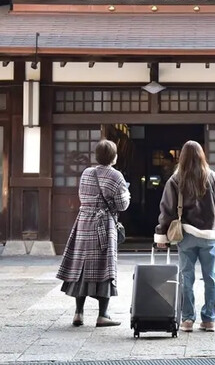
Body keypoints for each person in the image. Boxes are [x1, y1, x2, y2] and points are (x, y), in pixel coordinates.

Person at [154, 140, 215, 333]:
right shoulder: (212, 177)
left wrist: (162, 235)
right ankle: (209, 319)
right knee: (211, 277)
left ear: (183, 157)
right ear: (202, 155)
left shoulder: (176, 179)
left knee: (186, 277)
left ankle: (187, 319)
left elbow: (167, 210)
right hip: (210, 235)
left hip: (186, 235)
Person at [56, 139, 130, 327]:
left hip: (83, 221)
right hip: (104, 223)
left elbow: (82, 196)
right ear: (114, 157)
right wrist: (126, 195)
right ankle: (102, 315)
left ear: (96, 156)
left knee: (81, 265)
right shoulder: (116, 176)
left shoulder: (86, 173)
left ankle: (78, 313)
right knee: (104, 267)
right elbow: (122, 204)